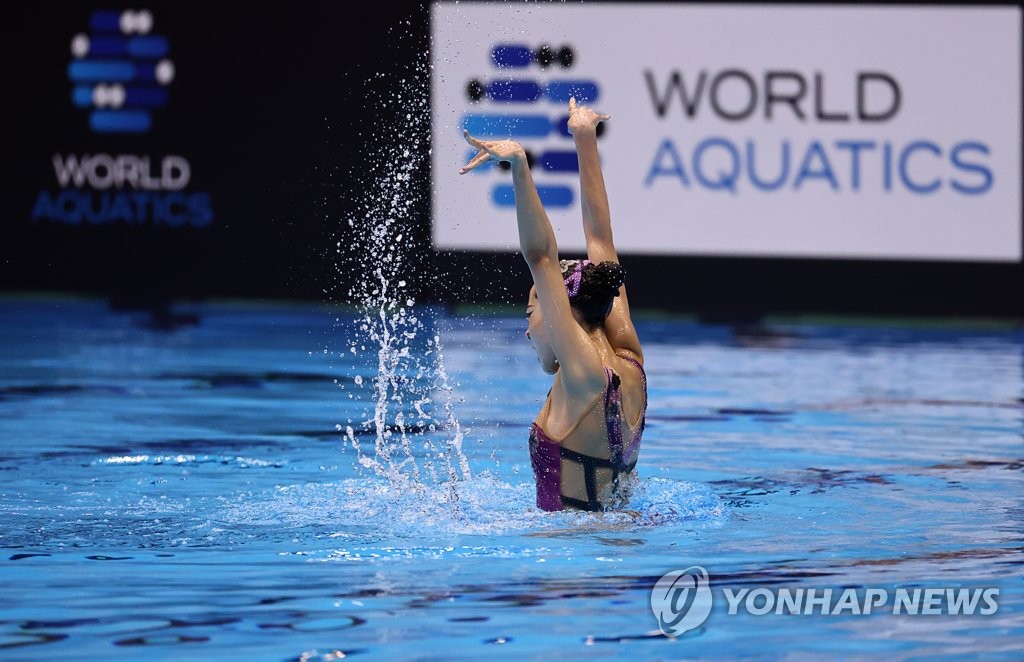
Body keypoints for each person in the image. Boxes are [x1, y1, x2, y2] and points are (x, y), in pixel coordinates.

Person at [459, 98, 647, 512]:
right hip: (621, 540)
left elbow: (541, 256)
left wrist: (520, 170)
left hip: (569, 559)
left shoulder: (583, 377)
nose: (527, 331)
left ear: (559, 309)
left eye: (532, 313)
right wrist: (584, 137)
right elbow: (600, 238)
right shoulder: (631, 362)